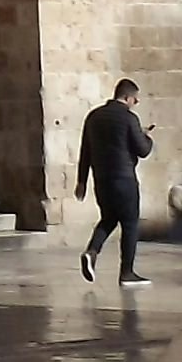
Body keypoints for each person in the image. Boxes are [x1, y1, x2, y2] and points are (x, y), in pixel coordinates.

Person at [76, 78, 154, 289]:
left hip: (101, 180)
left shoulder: (93, 117)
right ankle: (127, 273)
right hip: (124, 179)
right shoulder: (129, 119)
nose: (135, 103)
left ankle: (91, 252)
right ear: (128, 97)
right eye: (135, 100)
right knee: (130, 224)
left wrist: (81, 181)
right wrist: (147, 137)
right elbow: (143, 150)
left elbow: (85, 150)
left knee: (109, 218)